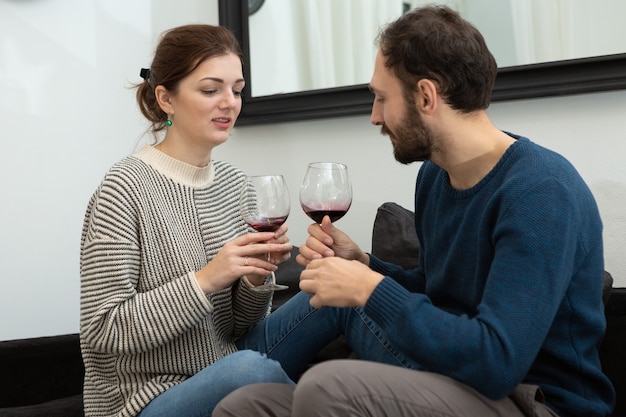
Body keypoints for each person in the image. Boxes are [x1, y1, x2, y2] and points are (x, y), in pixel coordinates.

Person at [212, 5, 616, 417]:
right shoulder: (436, 178)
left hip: (533, 399)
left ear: (426, 96)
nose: (374, 116)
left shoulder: (540, 193)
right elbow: (436, 291)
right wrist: (365, 264)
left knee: (328, 386)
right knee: (246, 404)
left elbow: (497, 362)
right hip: (452, 378)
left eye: (381, 97)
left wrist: (369, 288)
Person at [79, 24, 298, 417]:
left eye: (237, 89)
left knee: (341, 293)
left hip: (222, 363)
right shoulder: (124, 189)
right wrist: (207, 278)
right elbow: (103, 330)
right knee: (249, 369)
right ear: (166, 98)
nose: (229, 102)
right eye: (211, 90)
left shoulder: (236, 185)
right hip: (145, 398)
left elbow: (234, 330)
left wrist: (253, 278)